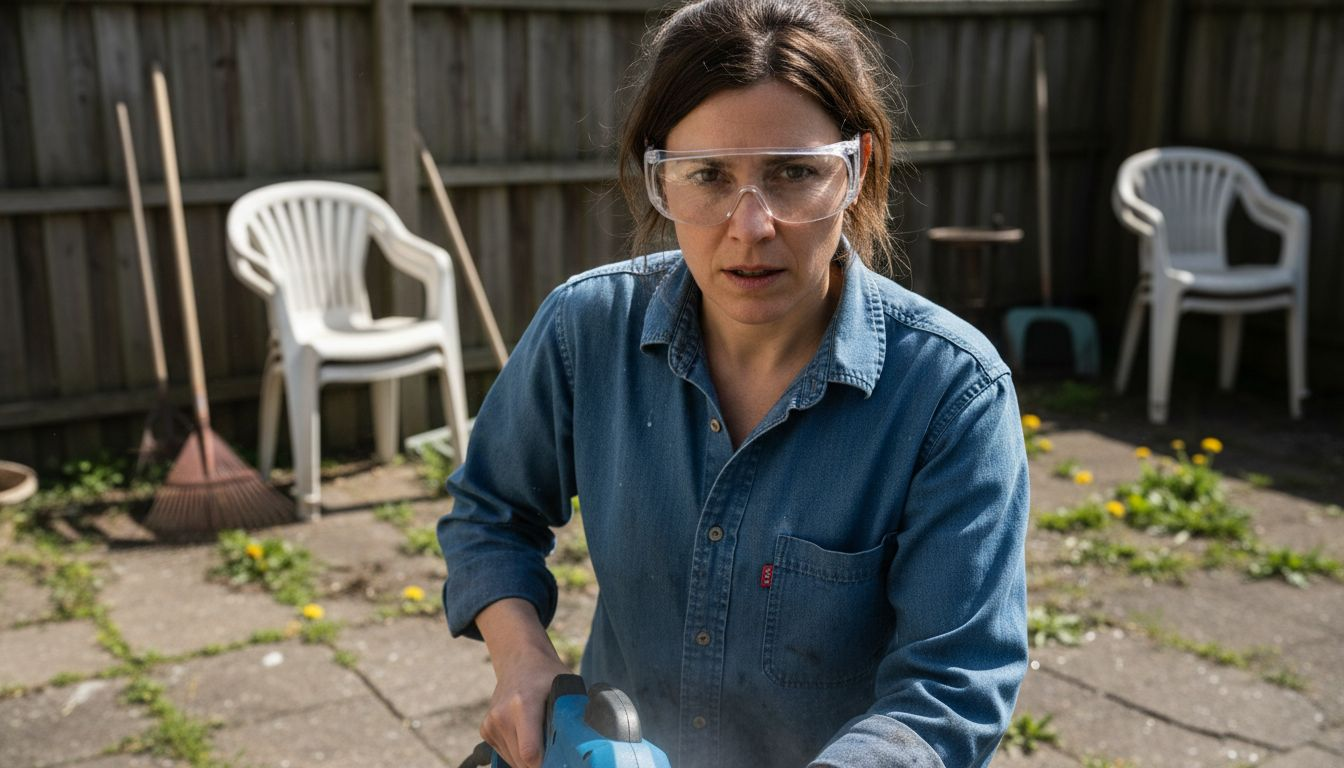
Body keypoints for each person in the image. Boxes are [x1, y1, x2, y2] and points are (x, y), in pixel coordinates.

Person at [437, 1, 1029, 766]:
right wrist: (522, 661)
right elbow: (490, 510)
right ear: (660, 180)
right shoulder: (586, 331)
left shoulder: (952, 396)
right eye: (708, 177)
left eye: (793, 173)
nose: (751, 226)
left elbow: (952, 687)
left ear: (858, 169)